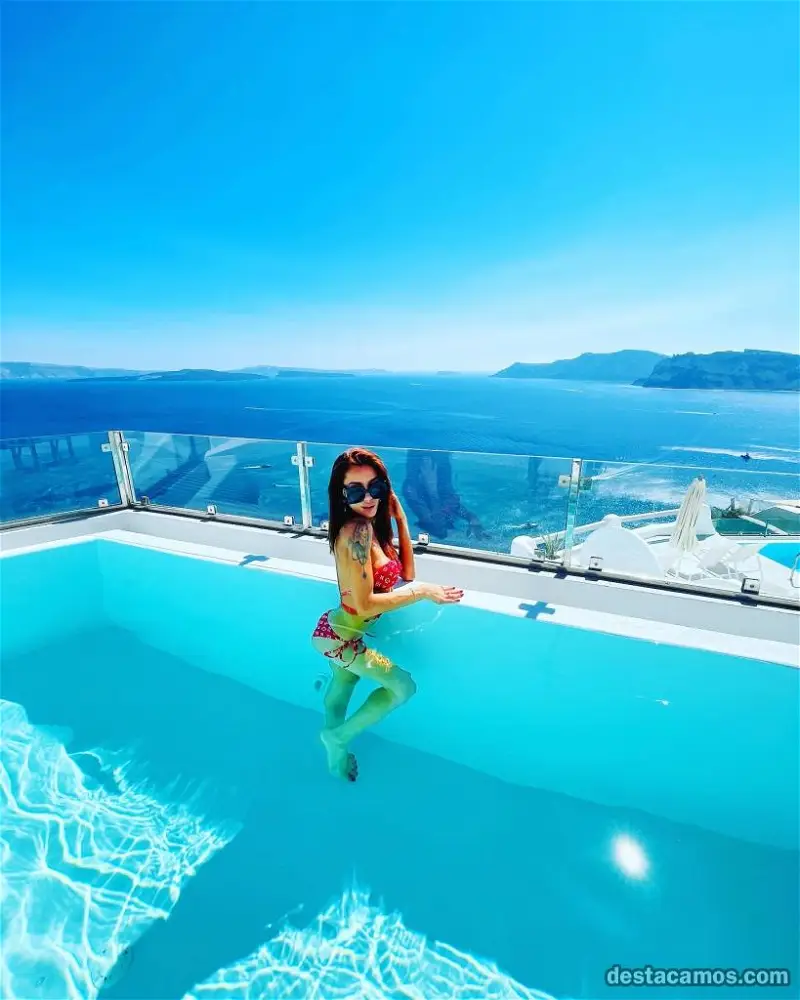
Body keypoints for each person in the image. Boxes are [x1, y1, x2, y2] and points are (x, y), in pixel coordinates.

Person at [311, 447, 464, 781]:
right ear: (342, 494)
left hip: (337, 631)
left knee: (342, 689)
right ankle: (337, 738)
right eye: (356, 491)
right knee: (403, 687)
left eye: (376, 487)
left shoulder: (369, 527)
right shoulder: (357, 532)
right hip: (342, 640)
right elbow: (366, 605)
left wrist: (401, 518)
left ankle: (335, 758)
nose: (368, 497)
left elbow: (405, 574)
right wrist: (424, 592)